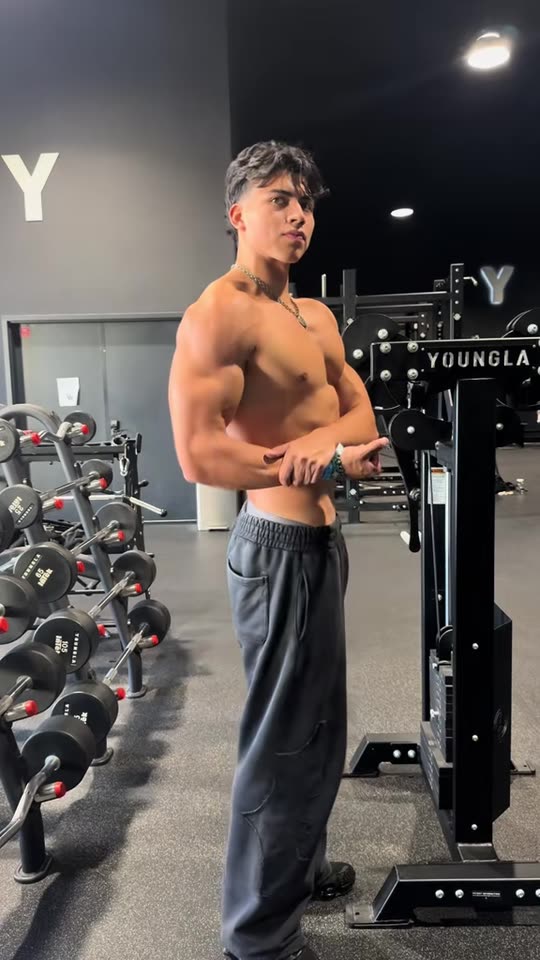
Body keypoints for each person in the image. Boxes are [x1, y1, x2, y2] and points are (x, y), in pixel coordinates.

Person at [169, 141, 388, 960]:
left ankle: (302, 865)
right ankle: (258, 938)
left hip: (323, 545)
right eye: (280, 200)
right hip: (278, 551)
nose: (299, 216)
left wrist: (326, 450)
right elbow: (197, 455)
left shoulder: (314, 315)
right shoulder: (219, 315)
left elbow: (360, 416)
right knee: (284, 742)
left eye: (307, 203)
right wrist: (305, 461)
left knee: (319, 726)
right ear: (238, 212)